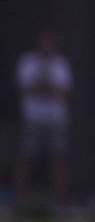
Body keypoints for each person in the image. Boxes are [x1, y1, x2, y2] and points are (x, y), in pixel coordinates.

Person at [14, 30, 72, 202]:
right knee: (26, 156)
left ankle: (62, 200)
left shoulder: (61, 63)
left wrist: (40, 89)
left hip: (56, 119)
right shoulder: (28, 62)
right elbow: (25, 88)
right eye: (44, 43)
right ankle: (20, 198)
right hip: (32, 118)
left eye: (51, 44)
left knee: (59, 158)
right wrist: (50, 90)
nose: (47, 47)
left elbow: (65, 91)